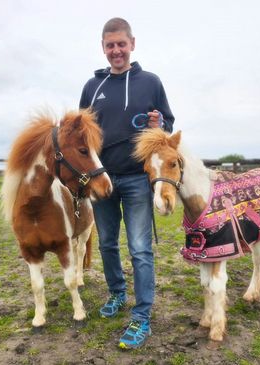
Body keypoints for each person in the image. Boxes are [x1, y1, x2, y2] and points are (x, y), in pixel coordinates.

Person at [79, 17, 174, 349]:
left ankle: (142, 316)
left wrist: (159, 122)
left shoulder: (151, 82)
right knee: (106, 243)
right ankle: (117, 293)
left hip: (136, 178)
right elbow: (82, 132)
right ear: (103, 48)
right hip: (102, 179)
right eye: (110, 45)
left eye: (121, 44)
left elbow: (168, 123)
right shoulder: (93, 87)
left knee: (139, 249)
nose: (116, 50)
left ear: (132, 44)